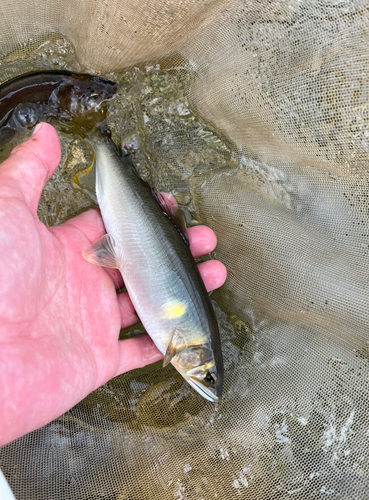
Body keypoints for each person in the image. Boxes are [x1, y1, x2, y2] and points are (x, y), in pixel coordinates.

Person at [0, 123, 227, 447]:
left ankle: (99, 136)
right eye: (208, 376)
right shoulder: (179, 343)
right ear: (195, 353)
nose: (204, 382)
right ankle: (97, 133)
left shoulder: (177, 346)